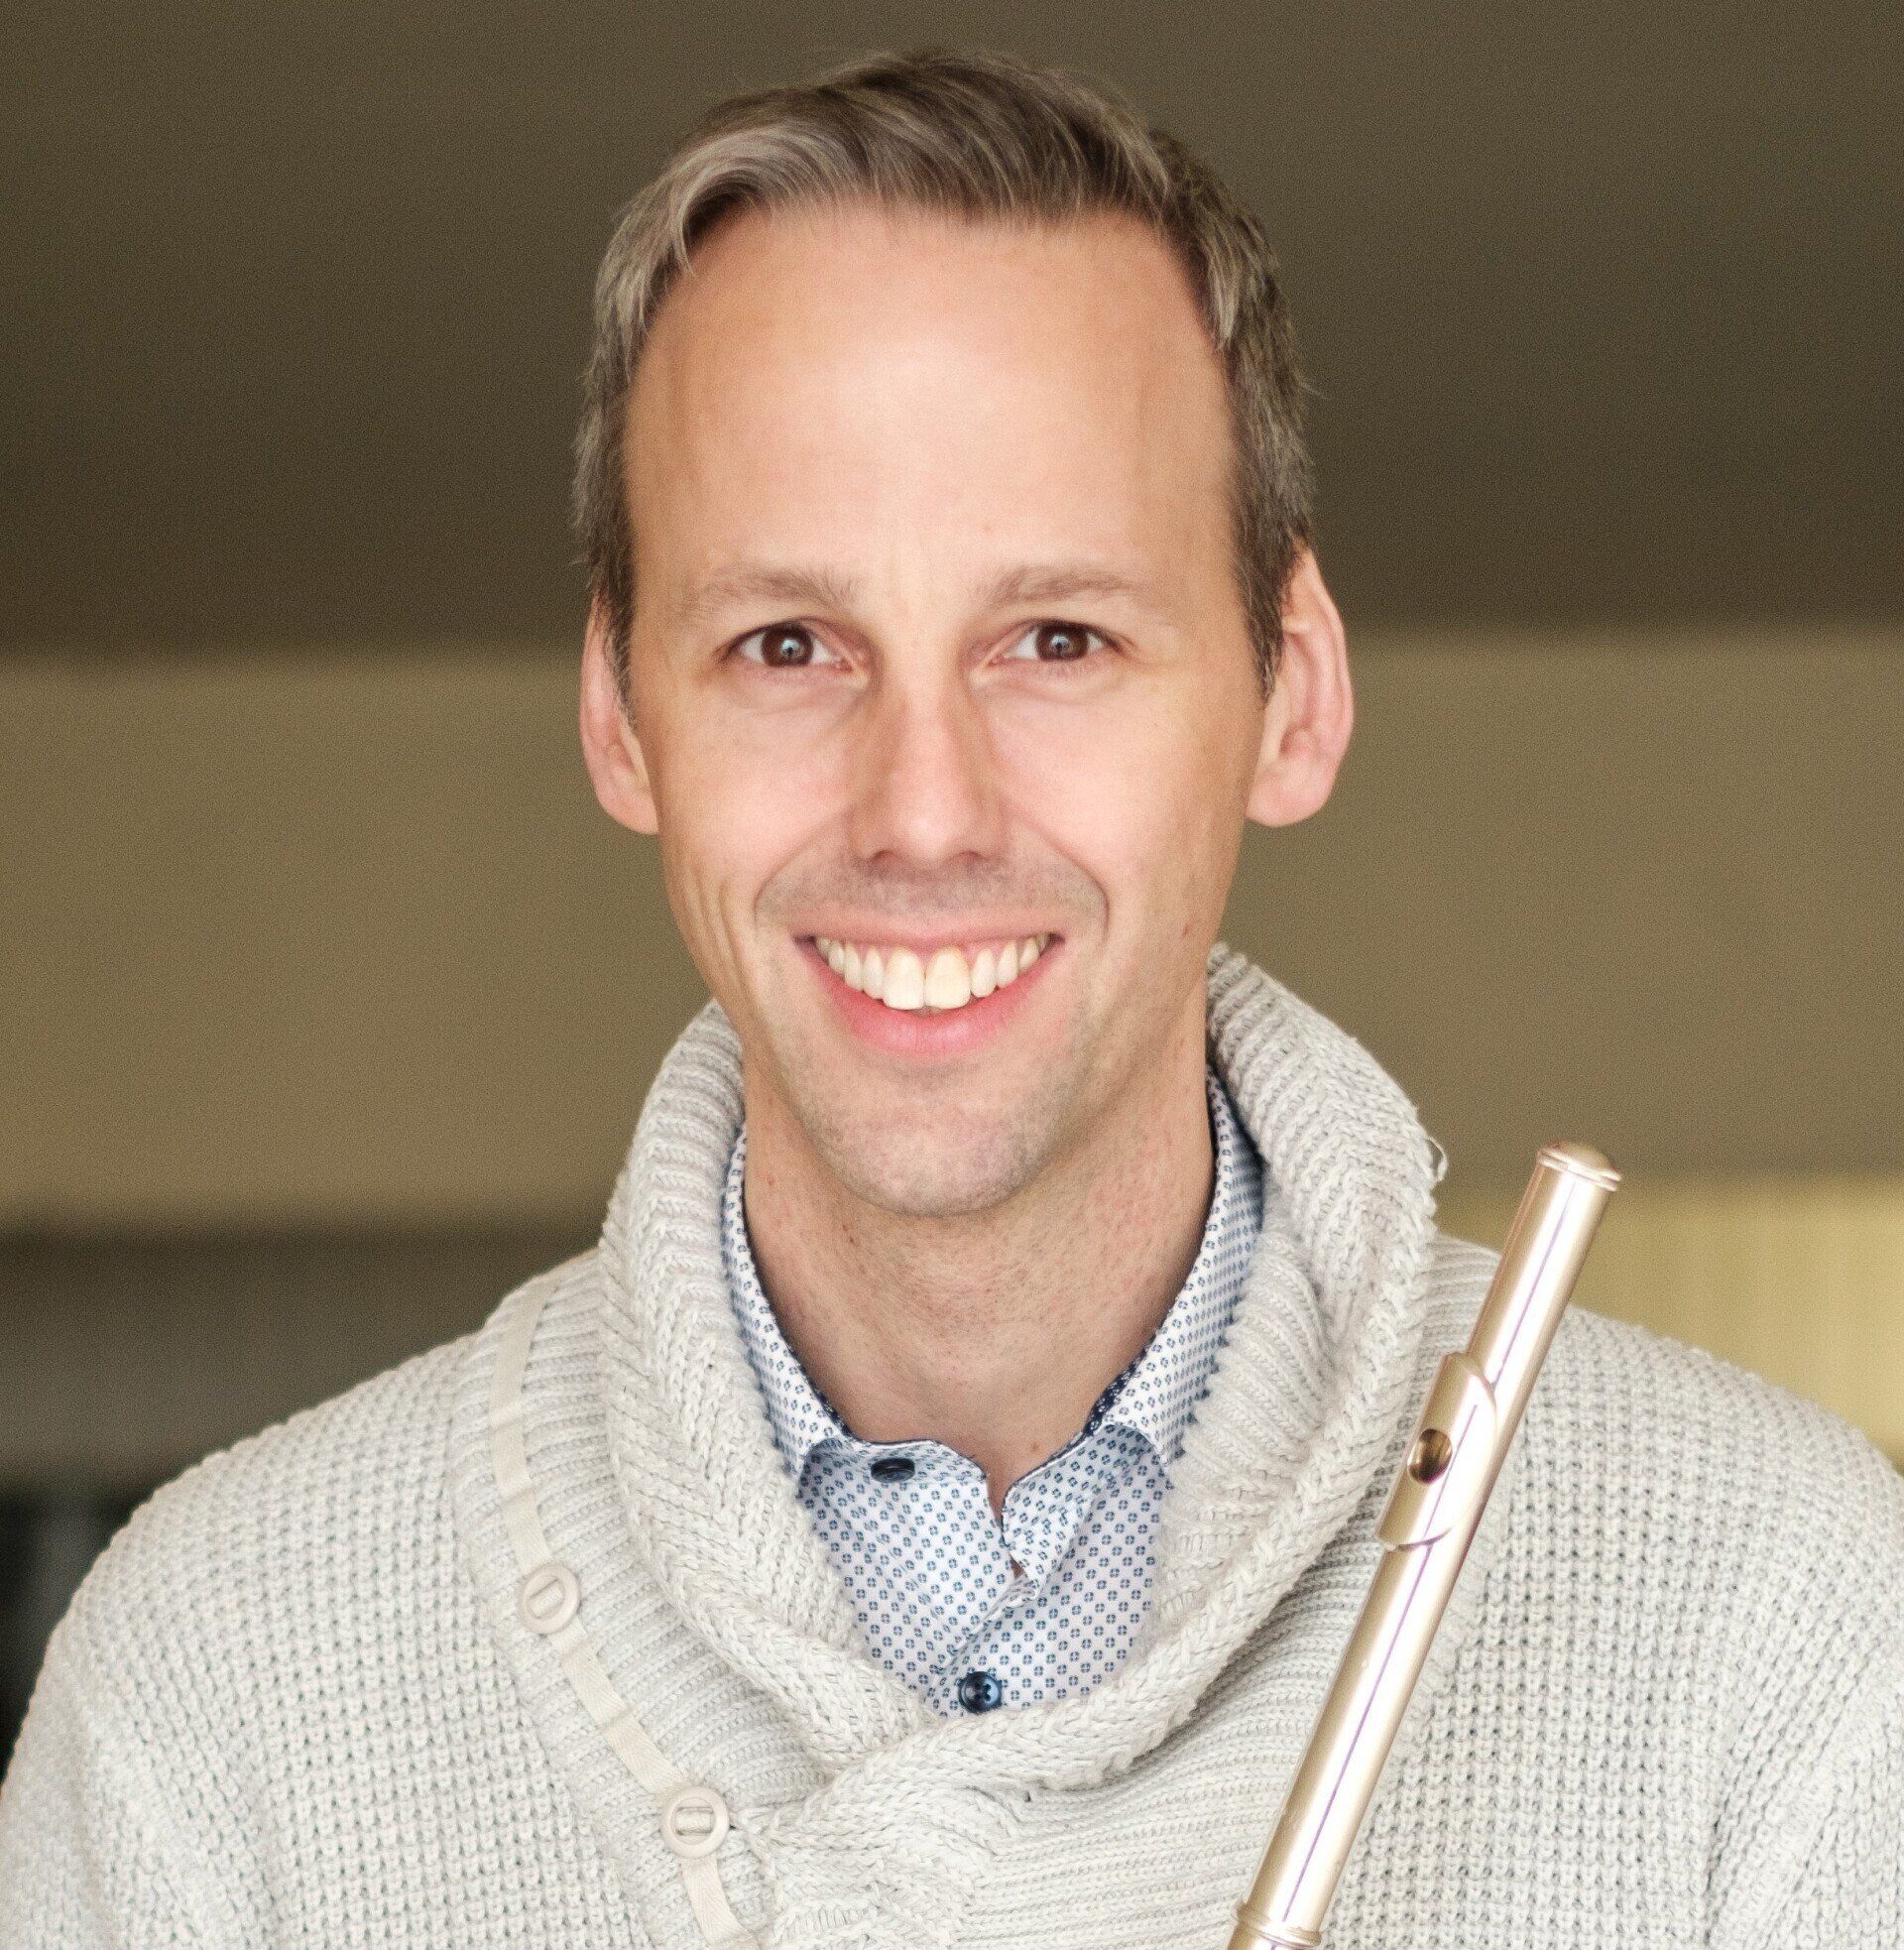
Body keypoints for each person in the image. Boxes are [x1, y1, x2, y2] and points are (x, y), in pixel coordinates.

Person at [3, 43, 1900, 1949]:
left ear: (1294, 691)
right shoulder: (213, 1692)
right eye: (788, 644)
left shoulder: (1786, 1623)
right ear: (619, 717)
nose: (923, 811)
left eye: (1056, 637)